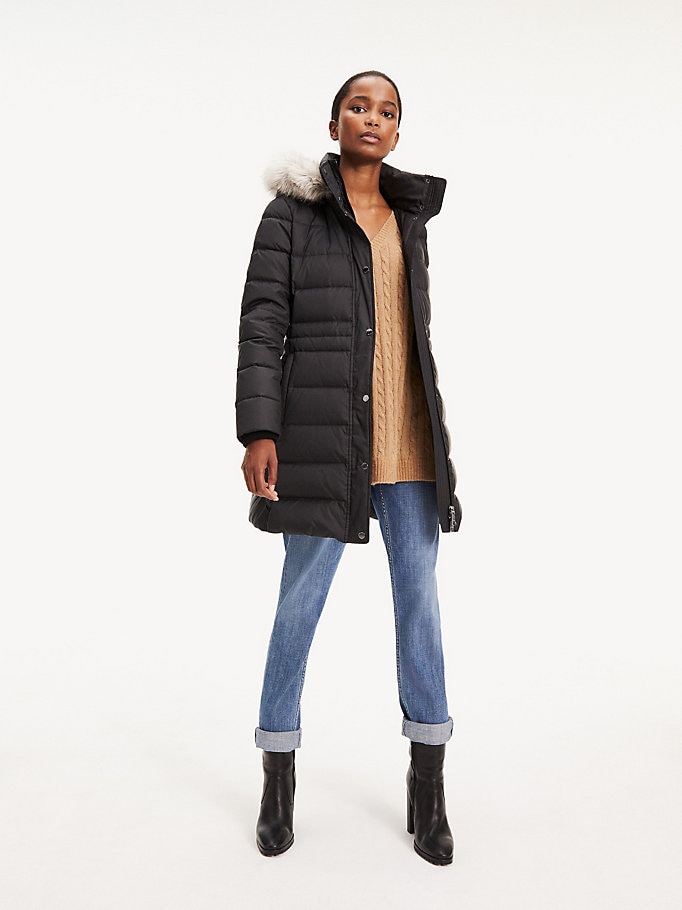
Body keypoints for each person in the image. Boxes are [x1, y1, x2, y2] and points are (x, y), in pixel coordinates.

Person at [235, 71, 461, 865]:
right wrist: (259, 430)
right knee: (298, 606)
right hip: (323, 442)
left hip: (409, 445)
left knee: (420, 609)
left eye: (387, 111)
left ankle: (428, 787)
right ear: (334, 124)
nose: (373, 118)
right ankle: (278, 777)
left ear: (398, 132)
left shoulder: (409, 216)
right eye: (359, 106)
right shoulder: (291, 216)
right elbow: (262, 323)